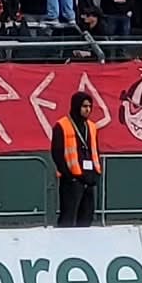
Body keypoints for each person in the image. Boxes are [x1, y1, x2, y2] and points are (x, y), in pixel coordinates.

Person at [50, 92, 101, 227]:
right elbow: (57, 154)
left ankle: (84, 247)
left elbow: (95, 151)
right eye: (84, 106)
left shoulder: (92, 127)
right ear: (76, 106)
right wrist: (69, 175)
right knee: (68, 218)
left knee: (86, 219)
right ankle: (63, 247)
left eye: (90, 106)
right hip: (71, 181)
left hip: (88, 179)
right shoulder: (61, 125)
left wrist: (95, 174)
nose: (88, 109)